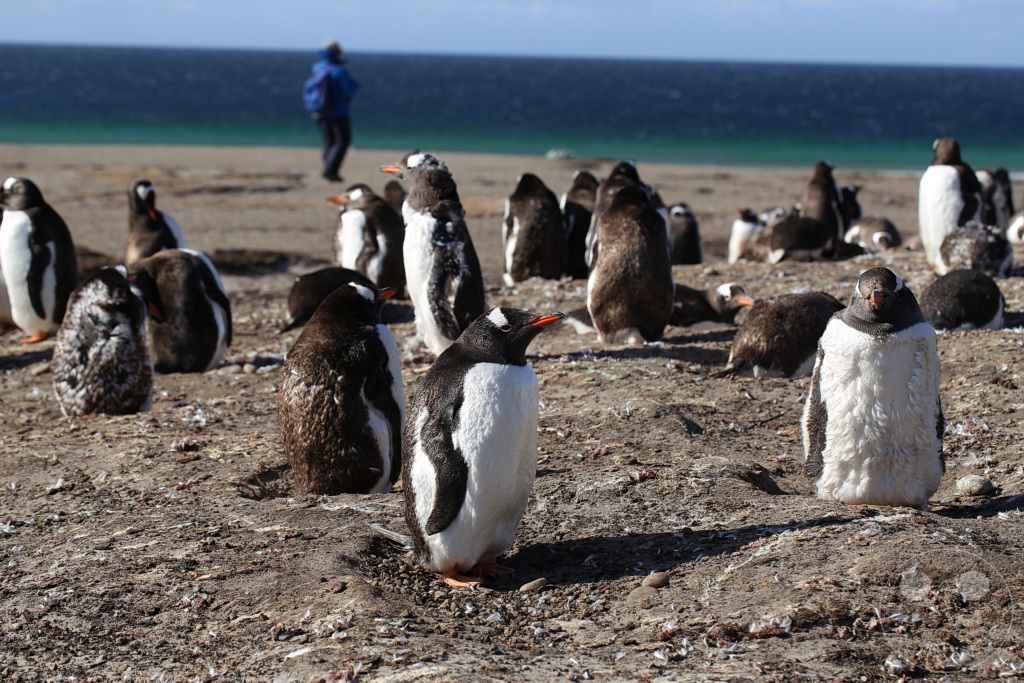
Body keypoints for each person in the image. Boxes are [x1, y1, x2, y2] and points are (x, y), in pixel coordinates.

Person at [309, 40, 359, 182]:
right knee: (342, 140)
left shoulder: (317, 67)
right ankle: (330, 170)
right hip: (338, 110)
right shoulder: (338, 70)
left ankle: (328, 167)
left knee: (328, 140)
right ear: (337, 52)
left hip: (319, 108)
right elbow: (348, 89)